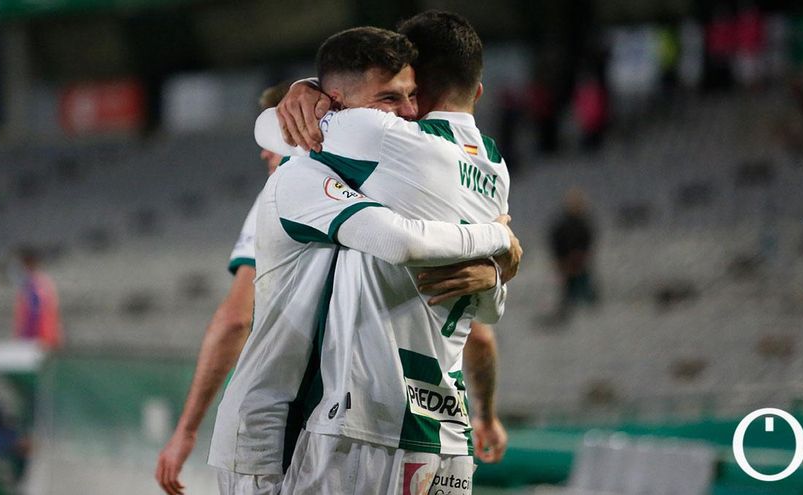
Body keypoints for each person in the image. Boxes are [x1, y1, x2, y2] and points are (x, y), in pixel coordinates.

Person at [209, 25, 520, 495]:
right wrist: (499, 248)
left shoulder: (381, 144)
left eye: (410, 95)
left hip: (355, 421)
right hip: (440, 427)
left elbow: (269, 126)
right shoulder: (496, 171)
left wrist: (300, 96)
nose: (407, 111)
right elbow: (489, 310)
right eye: (392, 98)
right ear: (477, 89)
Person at [154, 84, 290, 495]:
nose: (264, 152)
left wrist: (187, 429)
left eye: (273, 137)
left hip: (272, 422)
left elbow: (236, 318)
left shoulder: (281, 192)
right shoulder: (367, 190)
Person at [548, 188, 597, 323]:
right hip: (567, 262)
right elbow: (556, 241)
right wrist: (562, 259)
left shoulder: (583, 224)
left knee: (584, 290)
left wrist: (580, 255)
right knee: (569, 291)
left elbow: (587, 240)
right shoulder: (563, 226)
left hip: (578, 262)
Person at [13, 246, 61, 350]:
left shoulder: (37, 284)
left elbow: (39, 312)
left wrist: (41, 337)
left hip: (39, 339)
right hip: (35, 337)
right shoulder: (33, 282)